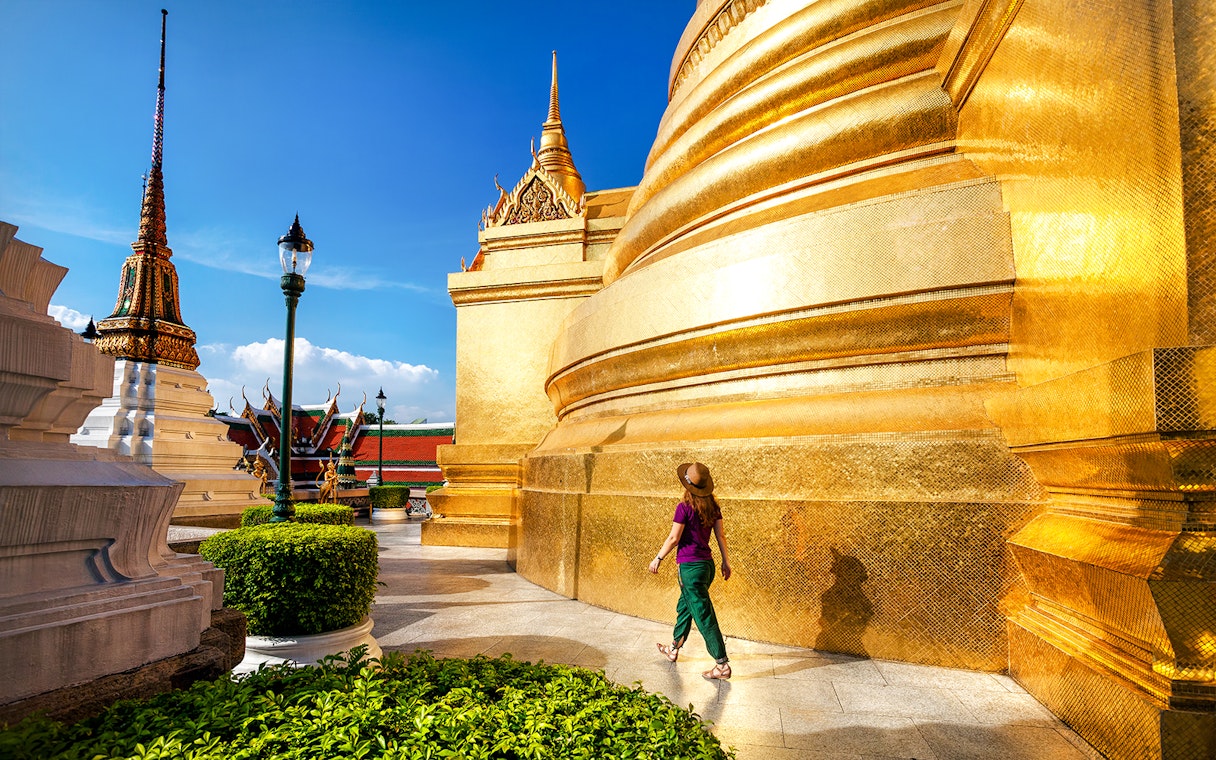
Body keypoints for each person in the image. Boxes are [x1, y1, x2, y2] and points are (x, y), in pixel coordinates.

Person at [648, 461, 732, 680]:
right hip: (707, 567)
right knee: (685, 606)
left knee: (704, 615)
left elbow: (674, 538)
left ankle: (721, 664)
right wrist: (726, 561)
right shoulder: (714, 507)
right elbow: (720, 536)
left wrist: (658, 557)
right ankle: (674, 648)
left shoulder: (684, 507)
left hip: (689, 568)